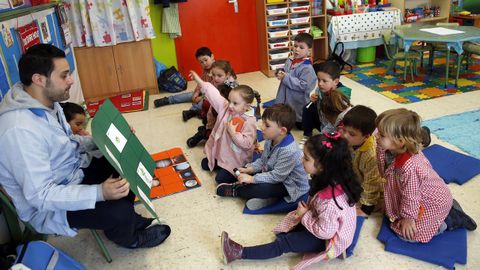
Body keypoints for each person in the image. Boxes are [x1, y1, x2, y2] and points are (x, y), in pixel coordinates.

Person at [0, 44, 170, 249]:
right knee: (118, 210)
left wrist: (107, 139)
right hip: (51, 204)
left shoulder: (47, 104)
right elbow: (40, 196)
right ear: (39, 79)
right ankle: (129, 238)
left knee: (125, 163)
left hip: (71, 173)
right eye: (64, 76)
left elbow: (67, 144)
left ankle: (127, 220)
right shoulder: (19, 131)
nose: (71, 80)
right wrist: (99, 193)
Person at [220, 132, 363, 269]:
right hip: (320, 220)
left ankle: (238, 253)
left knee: (283, 244)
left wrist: (304, 215)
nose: (301, 160)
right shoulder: (330, 178)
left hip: (327, 239)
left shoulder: (332, 202)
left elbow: (324, 232)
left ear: (322, 167)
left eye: (306, 158)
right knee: (289, 229)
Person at [375, 108, 476, 243]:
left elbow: (411, 196)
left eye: (381, 135)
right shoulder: (395, 149)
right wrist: (381, 146)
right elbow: (384, 171)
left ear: (400, 141)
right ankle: (448, 208)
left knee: (409, 236)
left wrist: (408, 218)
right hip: (422, 196)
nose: (376, 136)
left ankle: (451, 220)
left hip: (431, 201)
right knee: (394, 216)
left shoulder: (409, 167)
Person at [216, 104, 310, 211]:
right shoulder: (271, 138)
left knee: (258, 187)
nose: (262, 127)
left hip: (289, 185)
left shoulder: (290, 151)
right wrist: (249, 169)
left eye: (267, 125)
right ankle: (264, 195)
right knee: (236, 174)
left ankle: (237, 190)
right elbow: (263, 160)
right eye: (263, 123)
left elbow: (277, 177)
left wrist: (252, 178)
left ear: (282, 131)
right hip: (275, 174)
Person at [189, 70, 260, 184]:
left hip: (236, 159)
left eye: (235, 103)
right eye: (229, 101)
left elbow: (247, 144)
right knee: (205, 164)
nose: (230, 105)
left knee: (220, 179)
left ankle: (239, 170)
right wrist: (199, 81)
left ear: (246, 106)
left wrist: (233, 133)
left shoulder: (249, 121)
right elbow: (214, 94)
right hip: (222, 152)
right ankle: (220, 162)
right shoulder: (226, 107)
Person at [341, 105, 385, 216]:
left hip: (375, 188)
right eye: (344, 130)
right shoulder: (352, 141)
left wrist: (365, 209)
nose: (345, 135)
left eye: (351, 134)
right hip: (357, 178)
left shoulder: (371, 155)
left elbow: (372, 183)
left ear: (366, 136)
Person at [153, 47, 215, 122]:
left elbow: (215, 91)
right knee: (189, 95)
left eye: (206, 60)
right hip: (204, 92)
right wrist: (196, 92)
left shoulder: (217, 70)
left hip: (212, 96)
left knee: (204, 102)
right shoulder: (206, 70)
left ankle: (192, 111)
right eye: (201, 62)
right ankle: (168, 100)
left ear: (212, 56)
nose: (204, 63)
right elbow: (200, 83)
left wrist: (202, 97)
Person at [186, 60, 239, 147]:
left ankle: (203, 132)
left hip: (224, 113)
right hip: (214, 111)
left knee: (219, 135)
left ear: (228, 75)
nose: (215, 78)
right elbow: (208, 91)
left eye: (219, 76)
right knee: (205, 103)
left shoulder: (232, 88)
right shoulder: (216, 82)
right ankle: (200, 118)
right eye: (213, 75)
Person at [301, 61, 351, 147]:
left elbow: (335, 122)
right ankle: (307, 135)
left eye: (324, 81)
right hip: (322, 120)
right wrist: (313, 99)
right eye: (318, 79)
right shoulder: (322, 88)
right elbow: (317, 97)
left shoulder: (340, 96)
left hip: (334, 126)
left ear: (336, 81)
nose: (320, 84)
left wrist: (323, 135)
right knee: (307, 108)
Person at [274, 33, 317, 129]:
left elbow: (304, 86)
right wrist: (279, 72)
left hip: (297, 100)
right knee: (283, 115)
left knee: (300, 123)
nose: (297, 49)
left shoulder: (307, 68)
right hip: (284, 95)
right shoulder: (290, 59)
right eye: (295, 46)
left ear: (309, 51)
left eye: (301, 47)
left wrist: (286, 78)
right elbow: (285, 71)